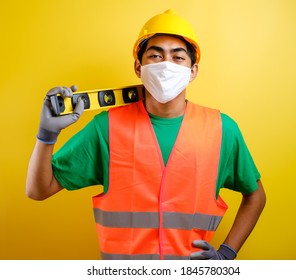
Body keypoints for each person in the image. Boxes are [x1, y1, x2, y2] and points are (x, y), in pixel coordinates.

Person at [26, 9, 266, 260]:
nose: (166, 64)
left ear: (193, 70)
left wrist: (226, 254)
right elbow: (38, 189)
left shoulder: (221, 129)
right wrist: (47, 136)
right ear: (138, 68)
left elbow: (256, 195)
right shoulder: (106, 127)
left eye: (178, 57)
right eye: (155, 55)